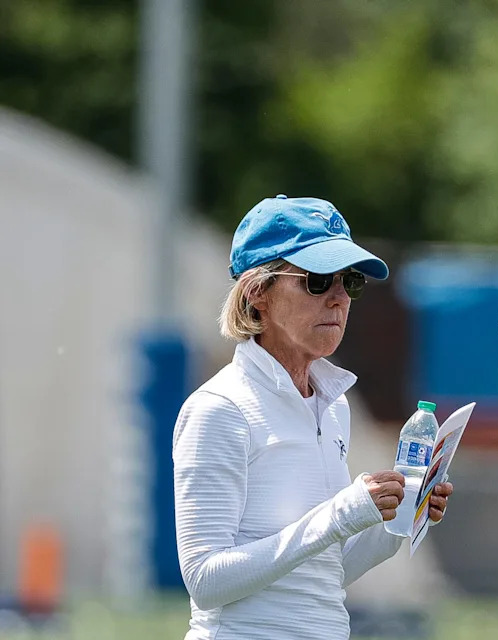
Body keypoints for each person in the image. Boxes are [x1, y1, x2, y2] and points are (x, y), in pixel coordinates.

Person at [172, 195, 454, 640]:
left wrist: (398, 521)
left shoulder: (332, 404)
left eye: (351, 282)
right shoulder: (219, 408)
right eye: (318, 280)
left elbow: (320, 577)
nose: (340, 298)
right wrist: (340, 515)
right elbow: (206, 581)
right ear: (257, 293)